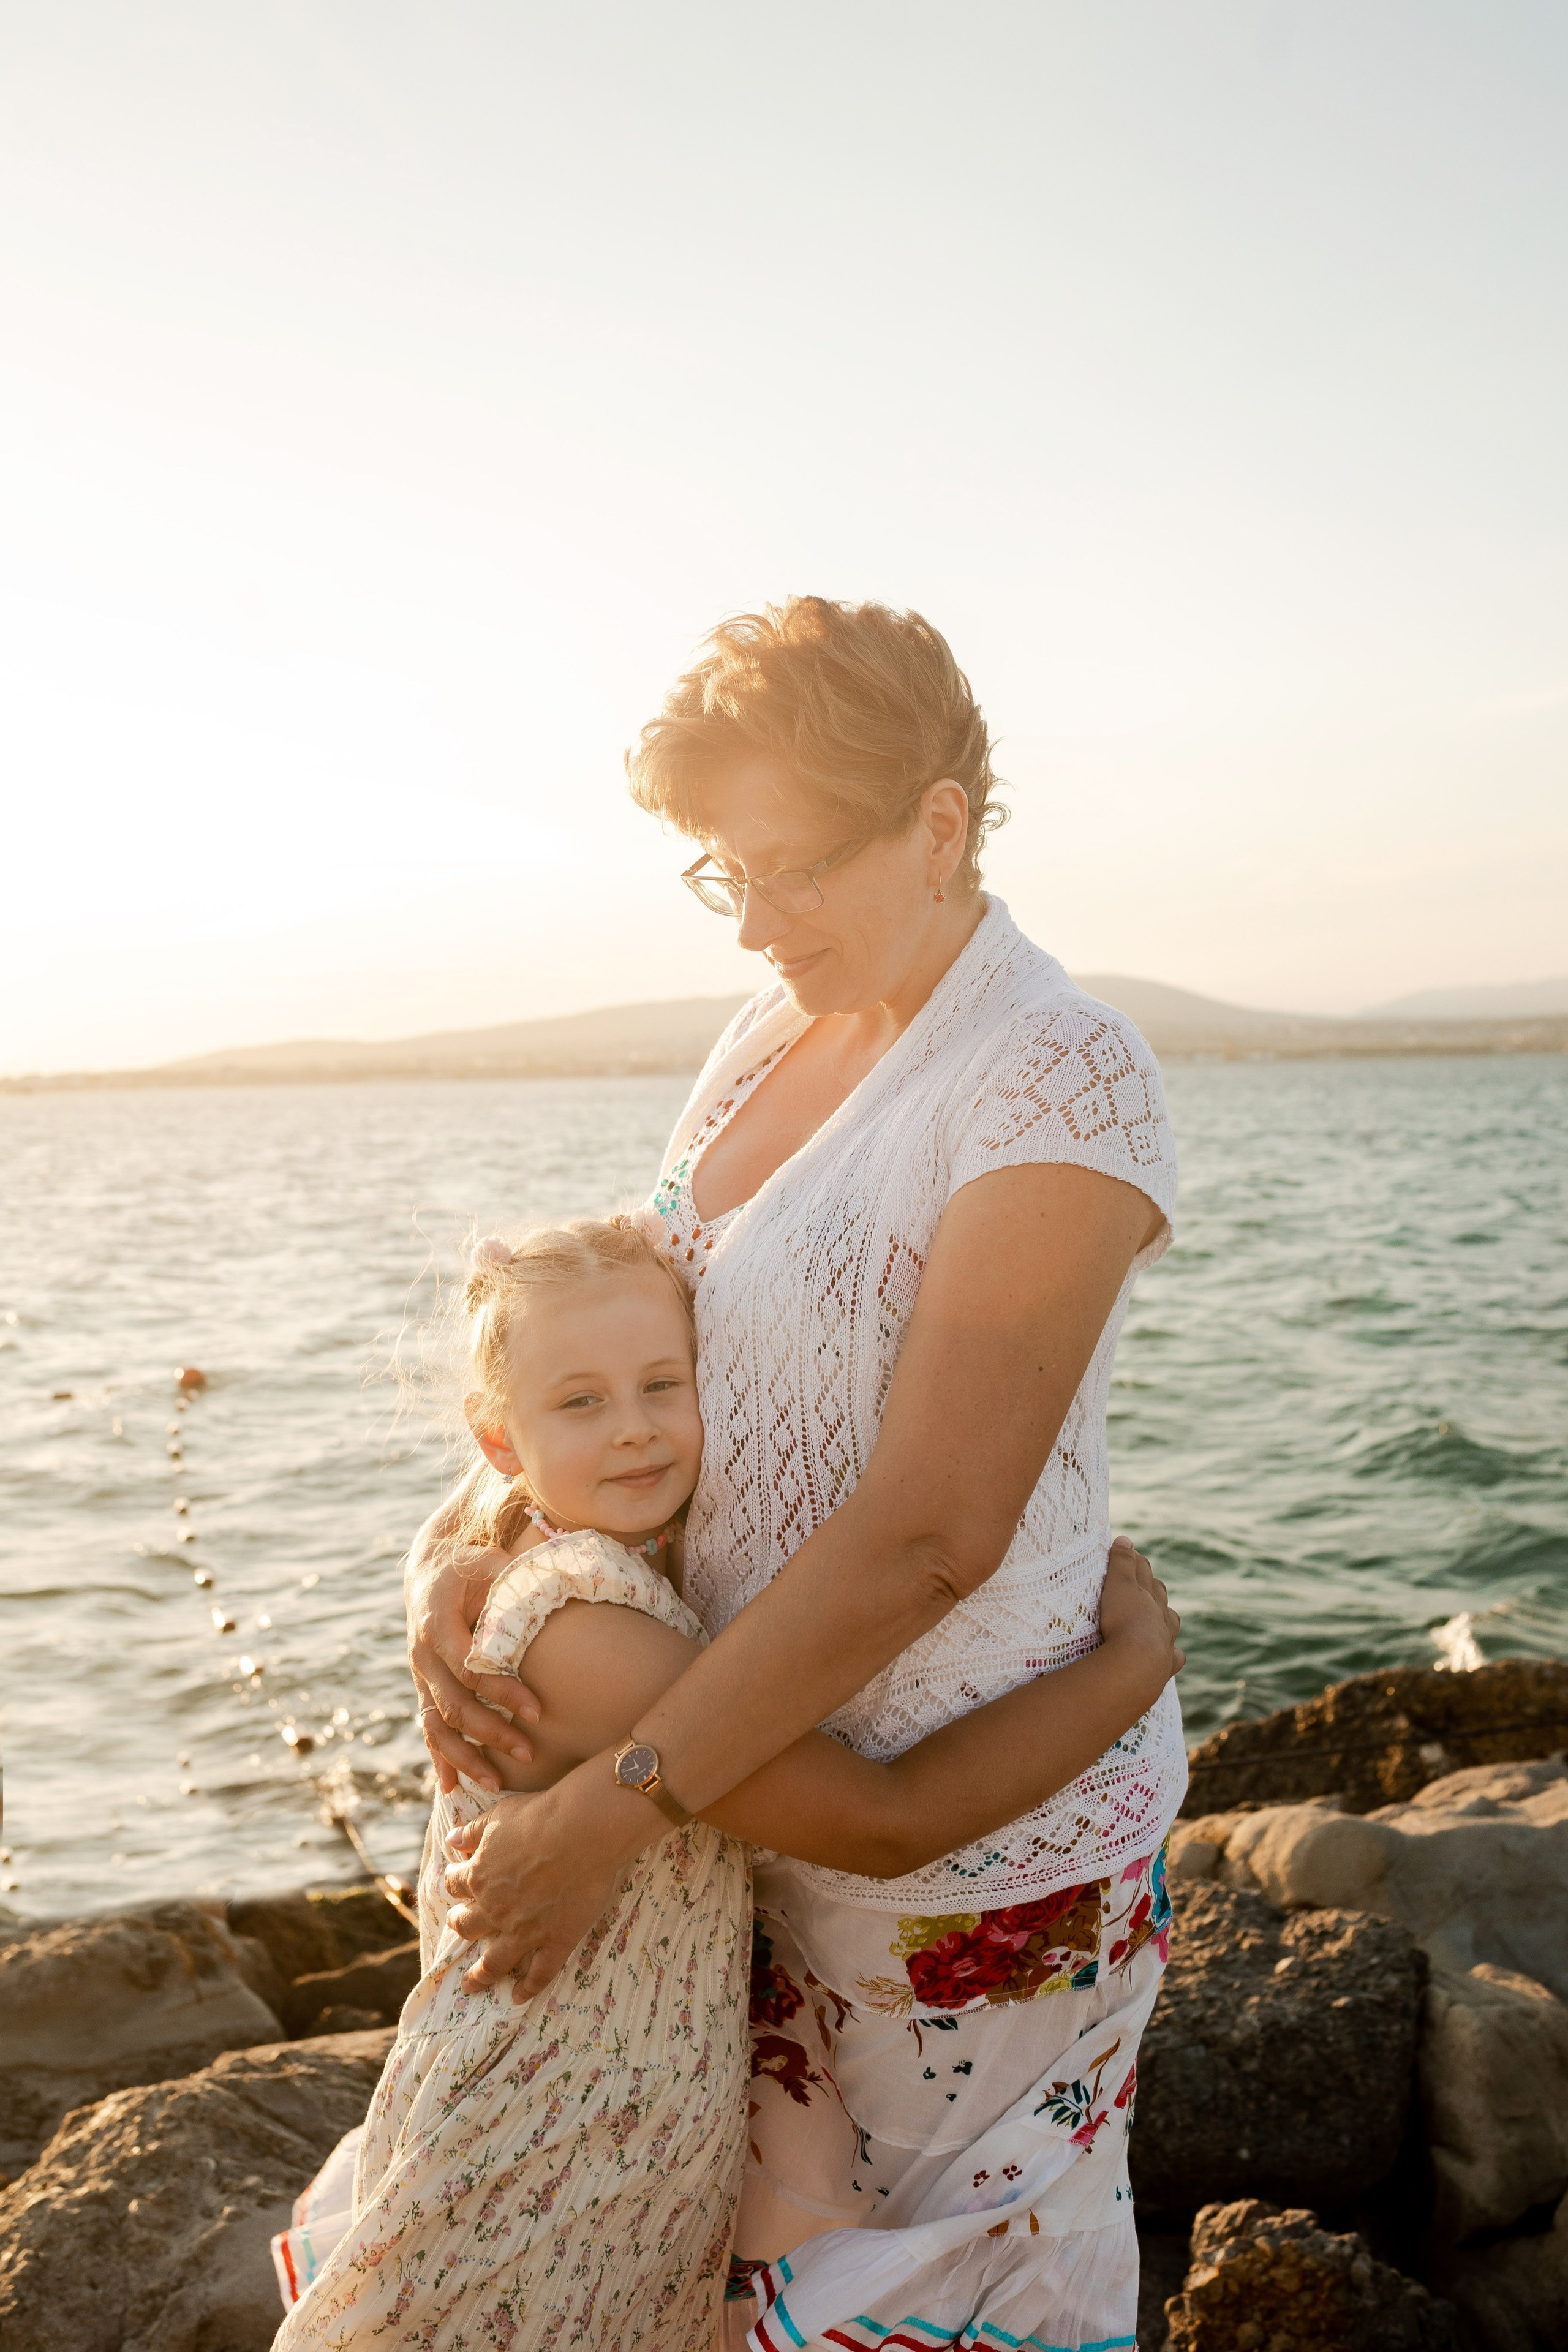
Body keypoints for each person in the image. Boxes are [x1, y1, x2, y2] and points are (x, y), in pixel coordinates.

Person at [407, 597, 1191, 2352]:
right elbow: (626, 1347)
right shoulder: (765, 1037)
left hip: (970, 1855)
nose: (755, 924)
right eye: (720, 877)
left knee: (964, 2317)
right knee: (770, 2307)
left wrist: (607, 1806)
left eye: (792, 869)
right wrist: (472, 1560)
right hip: (750, 1814)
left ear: (938, 819)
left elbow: (929, 1533)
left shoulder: (1057, 1070)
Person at [273, 1215, 1180, 2348]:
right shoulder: (588, 1631)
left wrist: (437, 1562)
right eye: (583, 1403)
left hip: (630, 2120)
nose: (638, 1432)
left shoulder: (595, 1562)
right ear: (502, 1440)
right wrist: (1134, 1667)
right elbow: (882, 1821)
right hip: (554, 2135)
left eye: (667, 1383)